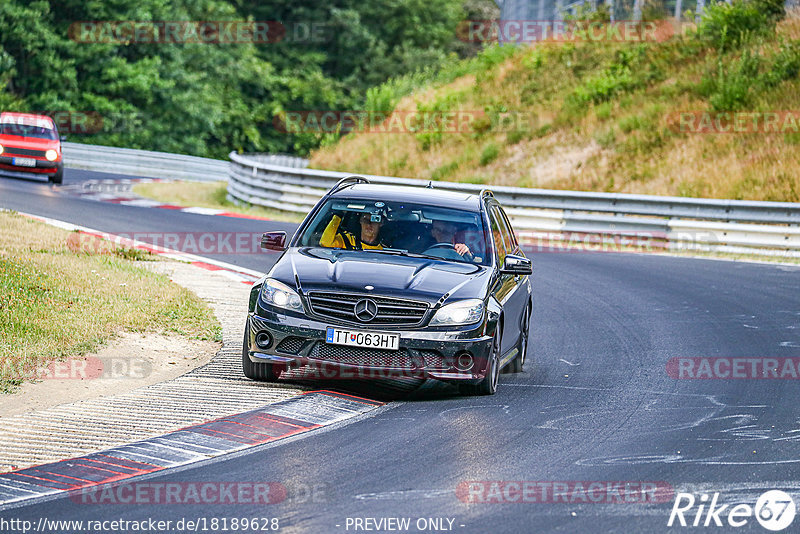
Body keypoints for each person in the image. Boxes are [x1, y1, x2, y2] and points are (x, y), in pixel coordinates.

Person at [320, 211, 384, 250]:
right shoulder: (346, 240)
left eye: (374, 220)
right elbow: (325, 243)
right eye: (365, 219)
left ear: (381, 223)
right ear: (360, 221)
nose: (369, 224)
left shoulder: (385, 250)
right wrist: (338, 216)